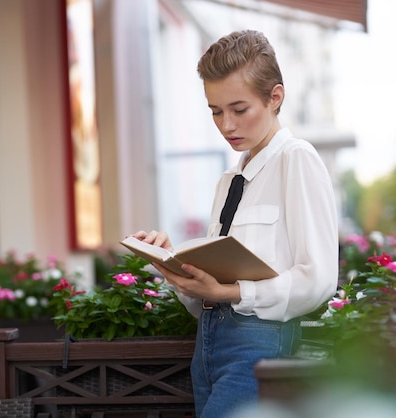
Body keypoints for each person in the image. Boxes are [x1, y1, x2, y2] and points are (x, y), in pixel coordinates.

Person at [130, 30, 338, 418]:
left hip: (260, 347)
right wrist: (176, 267)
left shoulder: (298, 160)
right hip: (208, 345)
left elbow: (319, 279)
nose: (226, 125)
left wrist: (232, 293)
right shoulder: (229, 180)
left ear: (275, 97)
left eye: (239, 109)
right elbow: (209, 293)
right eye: (215, 111)